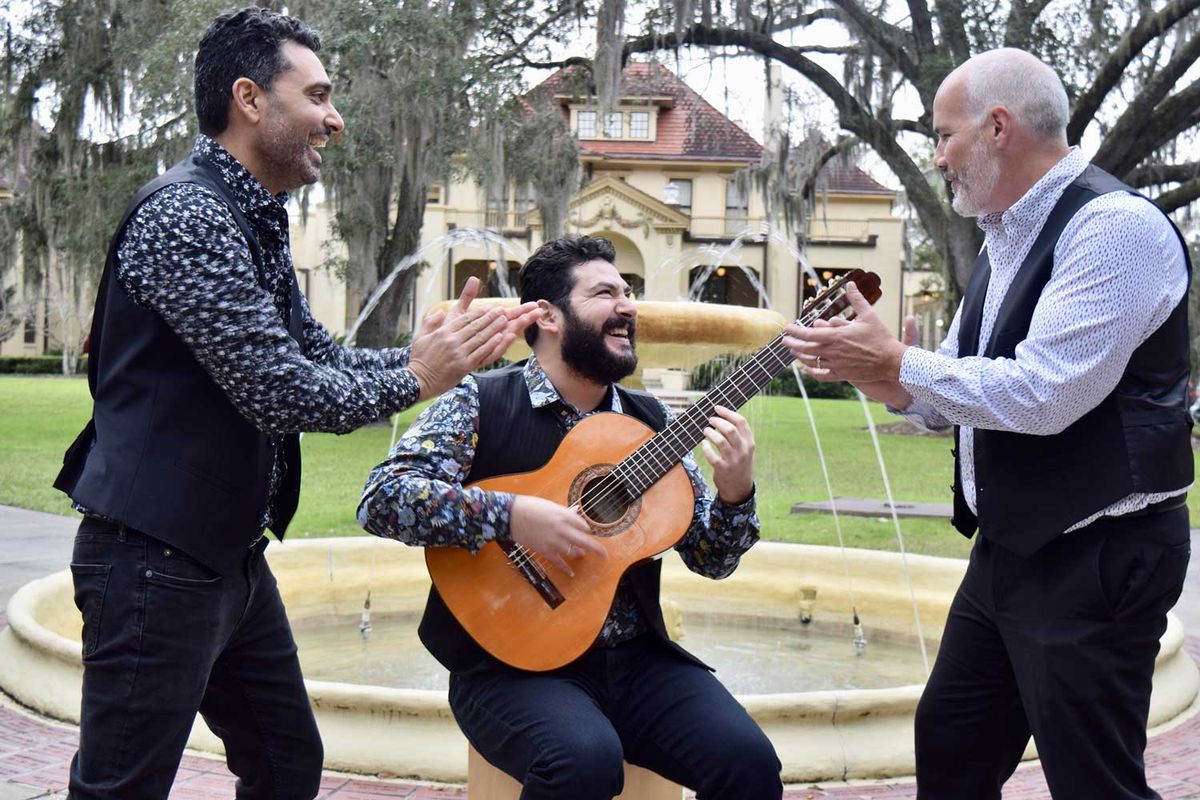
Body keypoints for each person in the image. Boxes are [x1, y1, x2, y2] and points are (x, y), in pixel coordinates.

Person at [52, 8, 539, 800]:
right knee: (121, 789)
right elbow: (278, 389)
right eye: (316, 95)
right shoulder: (188, 214)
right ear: (250, 98)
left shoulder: (250, 215)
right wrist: (419, 377)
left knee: (285, 764)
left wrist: (431, 358)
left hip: (225, 559)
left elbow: (316, 356)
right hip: (152, 559)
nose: (334, 118)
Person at [783, 48, 1192, 799]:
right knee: (951, 750)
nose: (937, 156)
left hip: (1099, 553)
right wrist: (875, 372)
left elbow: (1043, 395)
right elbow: (954, 394)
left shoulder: (1115, 230)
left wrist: (900, 362)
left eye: (944, 136)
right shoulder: (1007, 237)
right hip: (1010, 551)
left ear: (997, 127)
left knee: (1094, 783)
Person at [359, 235, 783, 799]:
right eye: (606, 293)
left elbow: (712, 559)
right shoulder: (478, 401)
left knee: (748, 764)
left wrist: (736, 493)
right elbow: (382, 499)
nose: (628, 306)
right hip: (505, 664)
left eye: (628, 292)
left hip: (635, 661)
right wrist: (510, 515)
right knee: (581, 763)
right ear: (549, 317)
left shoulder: (653, 423)